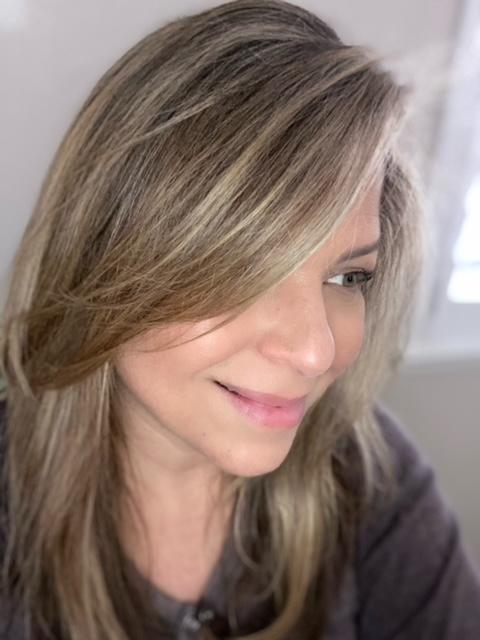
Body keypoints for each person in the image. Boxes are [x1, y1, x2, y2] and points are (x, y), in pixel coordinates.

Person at [0, 0, 479, 638]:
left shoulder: (369, 475)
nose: (315, 351)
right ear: (105, 256)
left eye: (348, 278)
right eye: (249, 272)